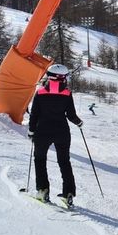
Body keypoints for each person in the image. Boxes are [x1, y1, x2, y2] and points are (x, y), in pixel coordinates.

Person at [28, 64, 82, 207]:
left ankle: (43, 191)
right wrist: (79, 122)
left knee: (40, 160)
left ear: (48, 76)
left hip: (42, 132)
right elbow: (71, 115)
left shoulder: (40, 93)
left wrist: (31, 131)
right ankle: (68, 193)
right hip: (62, 132)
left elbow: (34, 114)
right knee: (64, 161)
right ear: (63, 78)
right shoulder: (67, 93)